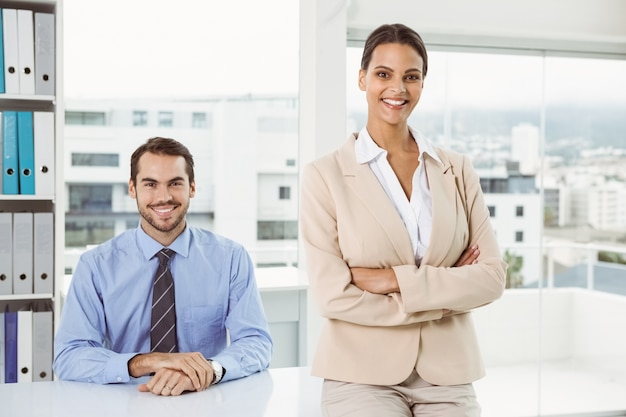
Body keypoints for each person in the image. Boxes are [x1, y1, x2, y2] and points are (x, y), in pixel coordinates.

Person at [300, 23, 507, 416]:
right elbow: (332, 295)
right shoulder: (324, 175)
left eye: (411, 77)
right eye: (383, 74)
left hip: (448, 375)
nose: (397, 89)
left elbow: (492, 278)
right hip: (359, 374)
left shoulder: (457, 170)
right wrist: (445, 298)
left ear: (422, 84)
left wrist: (391, 280)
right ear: (362, 79)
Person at [53, 137, 273, 396]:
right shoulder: (96, 266)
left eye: (175, 183)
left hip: (203, 399)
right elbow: (69, 356)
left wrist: (210, 370)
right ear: (132, 189)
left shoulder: (231, 258)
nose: (164, 197)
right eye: (150, 184)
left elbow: (256, 342)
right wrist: (147, 361)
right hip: (125, 400)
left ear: (192, 187)